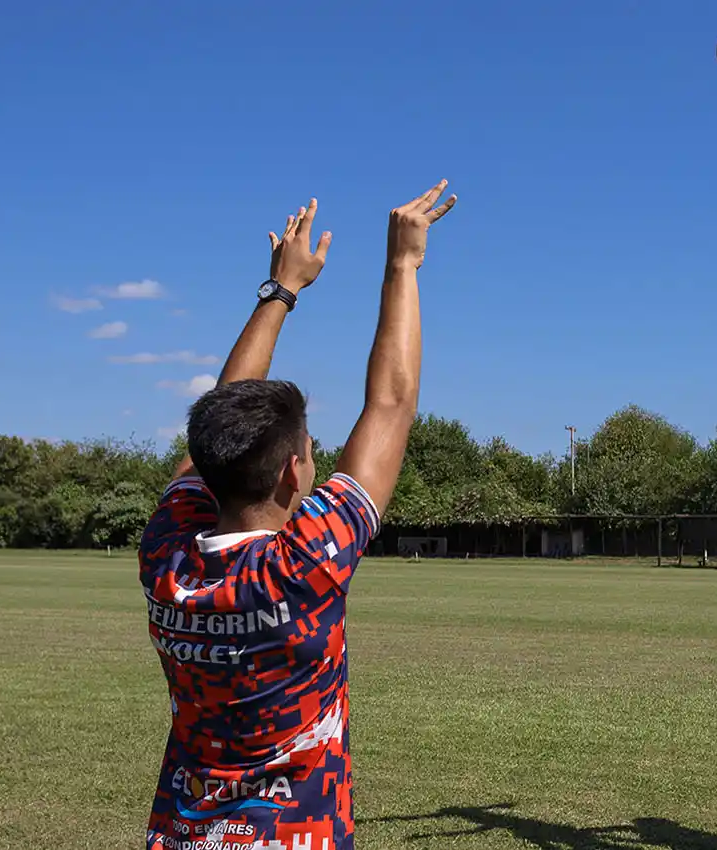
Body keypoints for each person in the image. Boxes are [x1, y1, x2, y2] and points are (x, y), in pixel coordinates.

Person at [136, 181, 457, 850]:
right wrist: (403, 265)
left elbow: (218, 421)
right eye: (309, 450)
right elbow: (392, 404)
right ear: (293, 474)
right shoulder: (301, 567)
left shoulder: (167, 555)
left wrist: (280, 291)